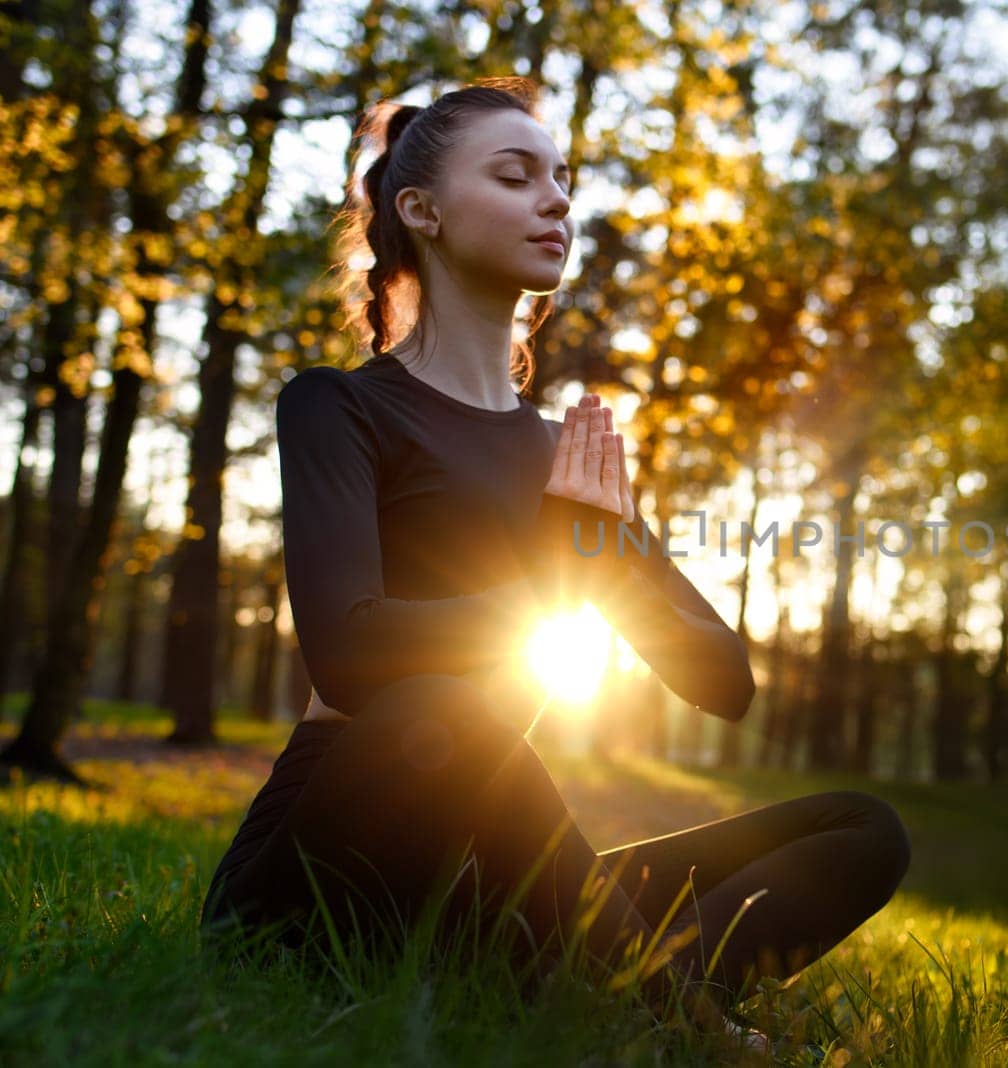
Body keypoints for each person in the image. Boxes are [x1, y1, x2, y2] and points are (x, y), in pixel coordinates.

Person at [197, 76, 912, 1048]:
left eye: (562, 178)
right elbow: (349, 652)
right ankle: (676, 1027)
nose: (558, 201)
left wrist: (602, 553)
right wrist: (560, 567)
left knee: (861, 831)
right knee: (443, 705)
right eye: (516, 174)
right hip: (324, 867)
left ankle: (610, 1001)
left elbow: (724, 680)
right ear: (423, 211)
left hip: (479, 860)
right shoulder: (341, 407)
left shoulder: (565, 454)